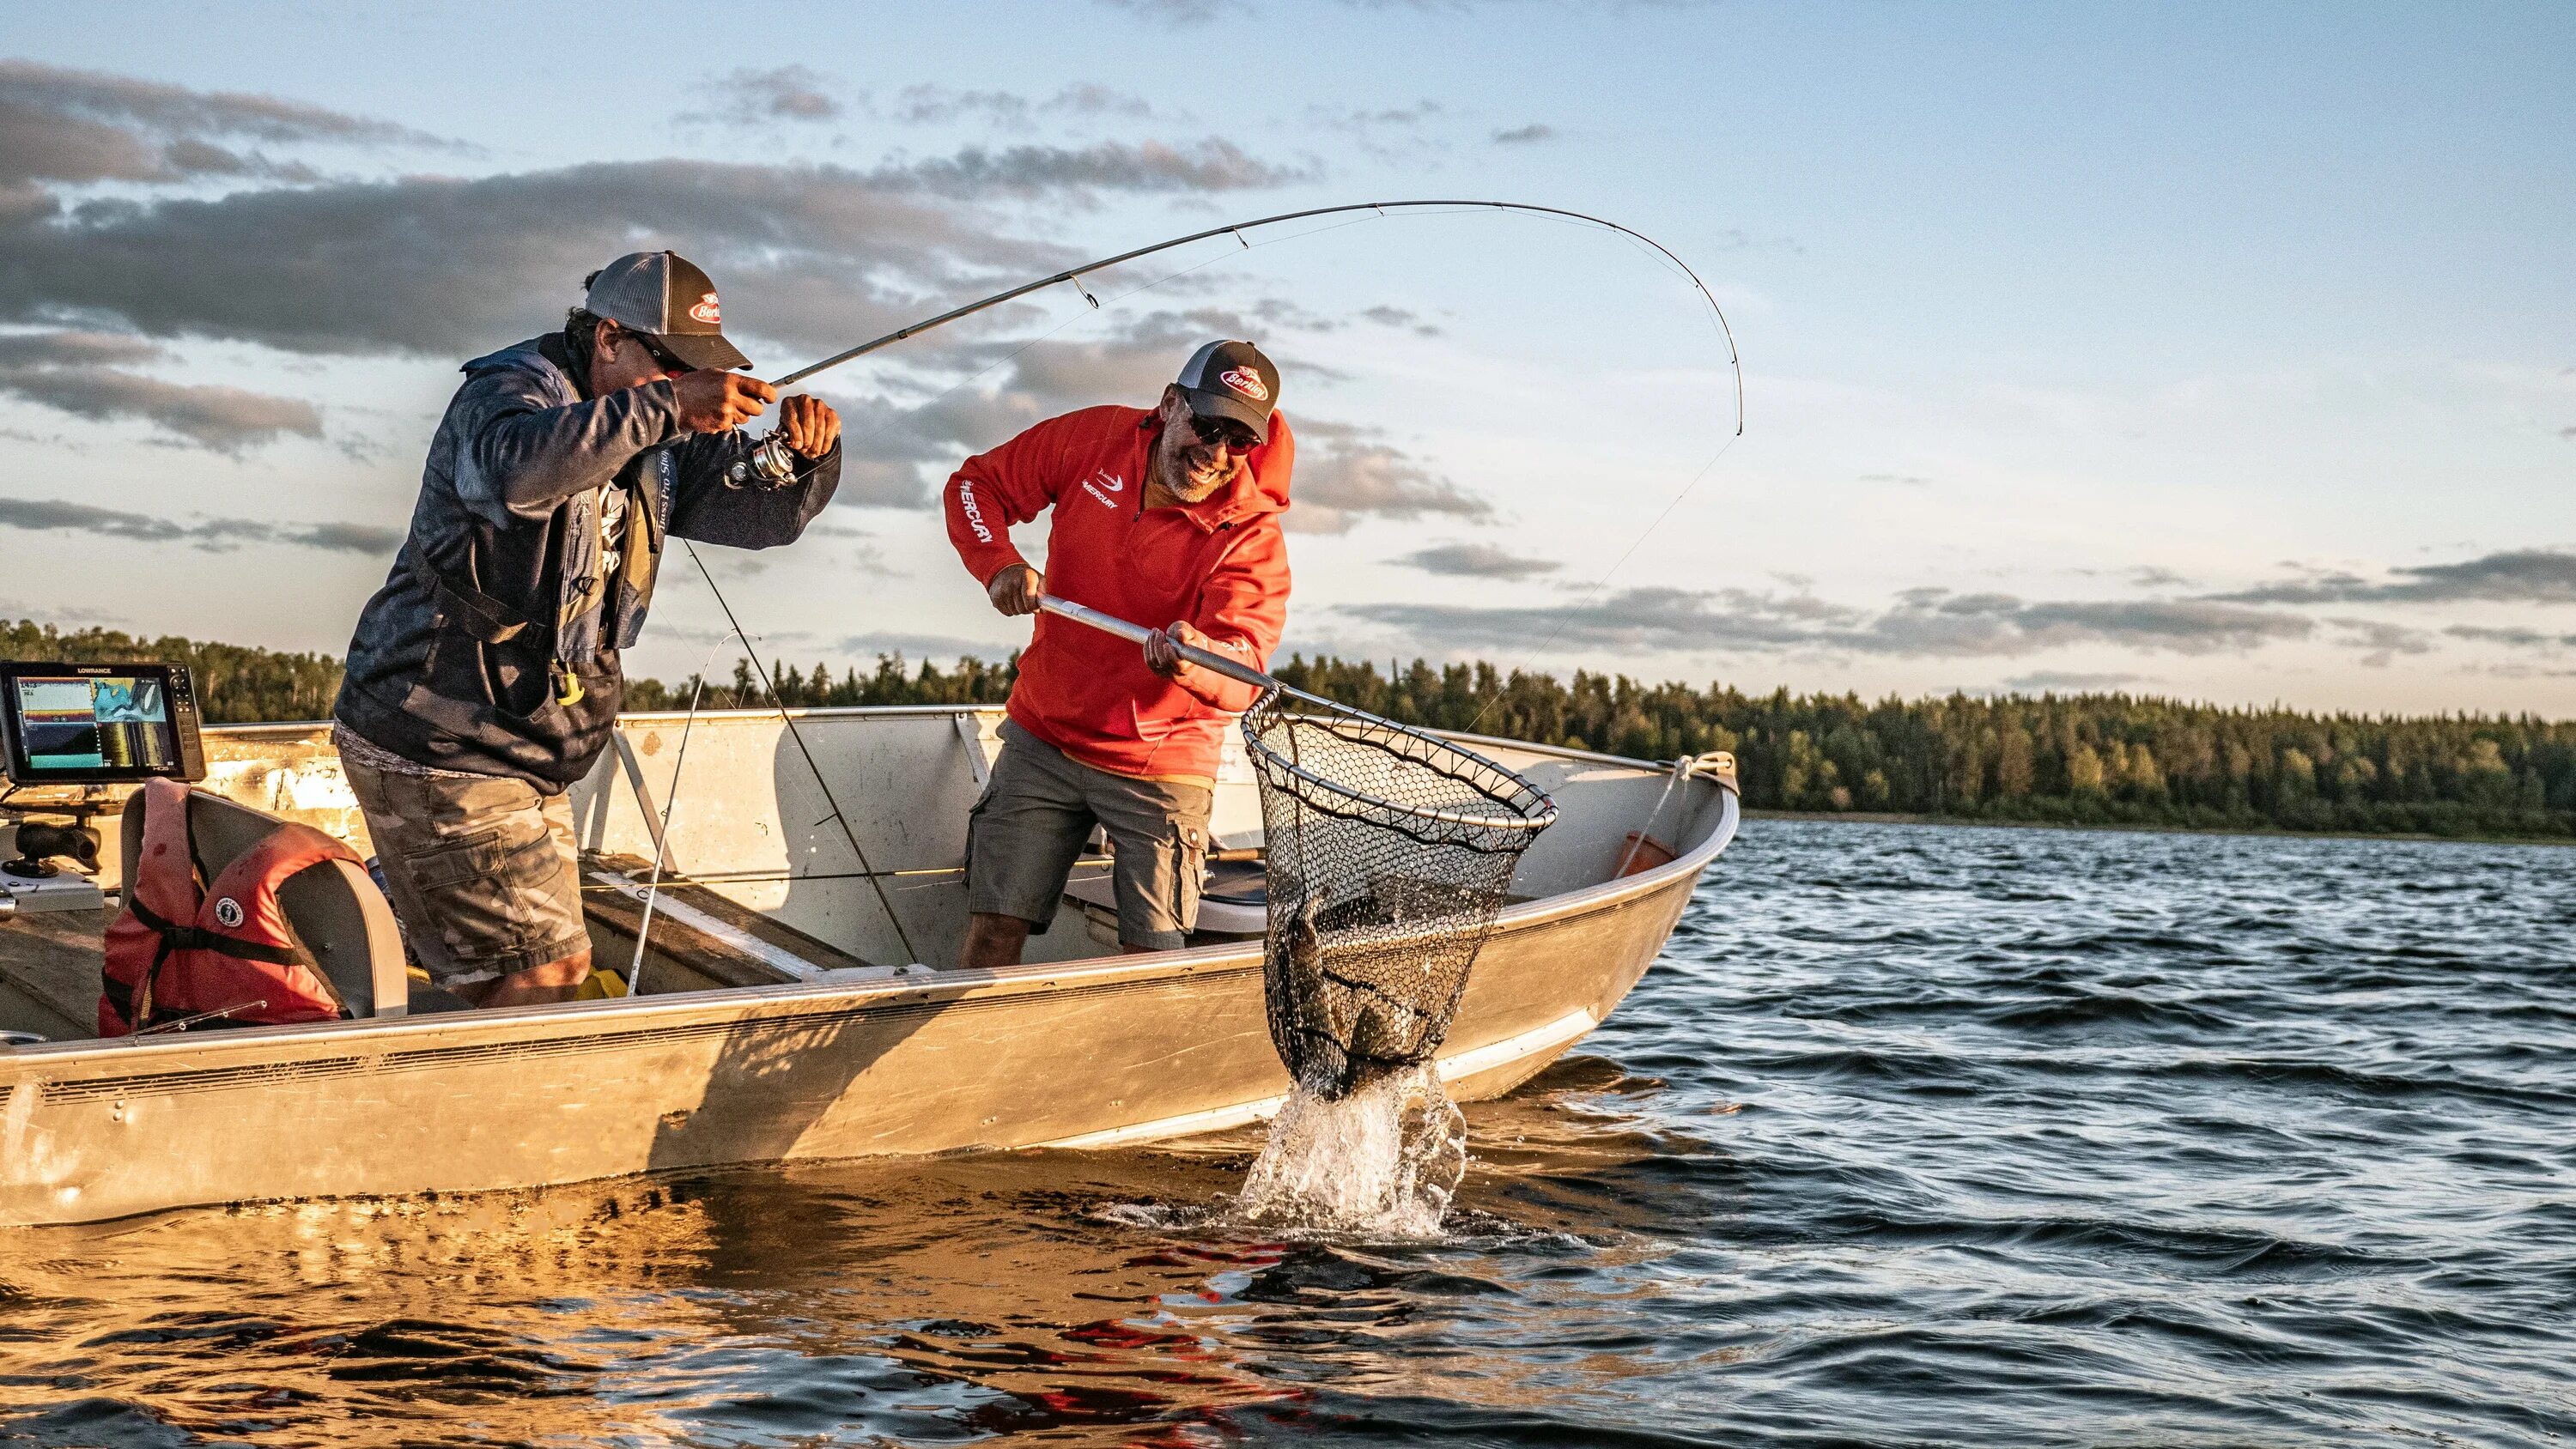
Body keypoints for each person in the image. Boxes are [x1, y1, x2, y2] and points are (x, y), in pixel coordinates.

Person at [334, 251, 842, 1007]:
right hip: (440, 733)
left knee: (546, 968)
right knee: (540, 976)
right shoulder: (507, 393)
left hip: (529, 748)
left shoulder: (655, 424)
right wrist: (670, 407)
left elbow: (758, 517)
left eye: (698, 370)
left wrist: (808, 457)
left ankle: (405, 902)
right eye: (673, 363)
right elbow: (511, 475)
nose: (686, 384)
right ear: (609, 337)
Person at [944, 340, 1293, 966]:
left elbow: (1243, 669)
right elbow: (976, 485)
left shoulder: (1251, 534)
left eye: (1236, 441)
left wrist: (1196, 657)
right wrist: (997, 564)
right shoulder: (1094, 437)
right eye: (1205, 426)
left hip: (1161, 763)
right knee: (994, 931)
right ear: (1169, 404)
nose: (1213, 454)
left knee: (1150, 961)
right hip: (1044, 732)